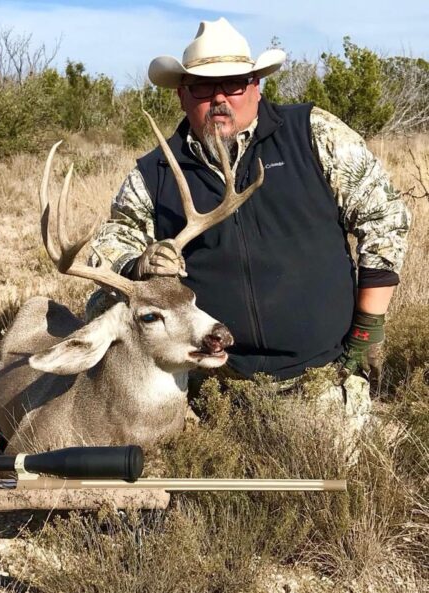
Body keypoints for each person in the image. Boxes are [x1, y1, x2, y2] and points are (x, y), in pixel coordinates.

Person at [88, 18, 410, 430]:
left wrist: (368, 329)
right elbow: (112, 243)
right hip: (210, 388)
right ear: (183, 94)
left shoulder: (313, 134)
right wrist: (138, 263)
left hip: (323, 377)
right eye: (203, 86)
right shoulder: (155, 172)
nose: (219, 97)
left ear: (256, 85)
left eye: (234, 82)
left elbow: (383, 218)